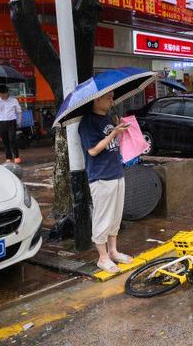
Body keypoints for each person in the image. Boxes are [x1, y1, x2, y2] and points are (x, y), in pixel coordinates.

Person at [78, 91, 133, 273]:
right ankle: (102, 258)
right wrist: (113, 133)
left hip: (116, 171)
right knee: (103, 217)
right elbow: (93, 151)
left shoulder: (109, 117)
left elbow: (112, 143)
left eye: (112, 97)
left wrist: (118, 128)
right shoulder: (87, 122)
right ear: (97, 99)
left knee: (115, 216)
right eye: (108, 97)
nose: (112, 100)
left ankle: (113, 251)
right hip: (101, 176)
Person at [0, 85, 22, 164]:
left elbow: (19, 111)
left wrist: (19, 121)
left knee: (12, 139)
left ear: (7, 92)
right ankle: (8, 157)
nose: (2, 95)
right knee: (5, 141)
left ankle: (17, 157)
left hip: (12, 121)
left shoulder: (14, 100)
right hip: (2, 122)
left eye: (4, 93)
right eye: (1, 93)